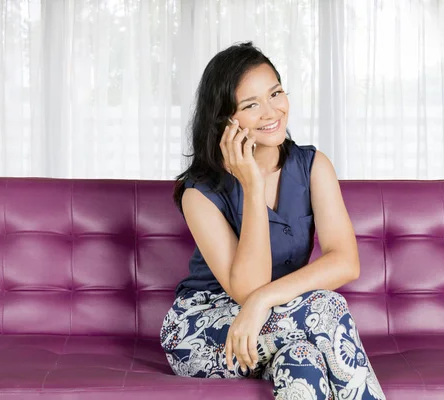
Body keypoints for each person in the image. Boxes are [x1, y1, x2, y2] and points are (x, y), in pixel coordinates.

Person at [160, 42, 386, 400]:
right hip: (204, 332)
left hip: (278, 317)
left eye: (275, 93)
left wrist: (262, 302)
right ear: (225, 121)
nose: (271, 112)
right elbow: (247, 288)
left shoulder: (313, 167)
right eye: (251, 105)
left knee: (302, 361)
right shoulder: (199, 194)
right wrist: (251, 185)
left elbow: (345, 261)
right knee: (327, 307)